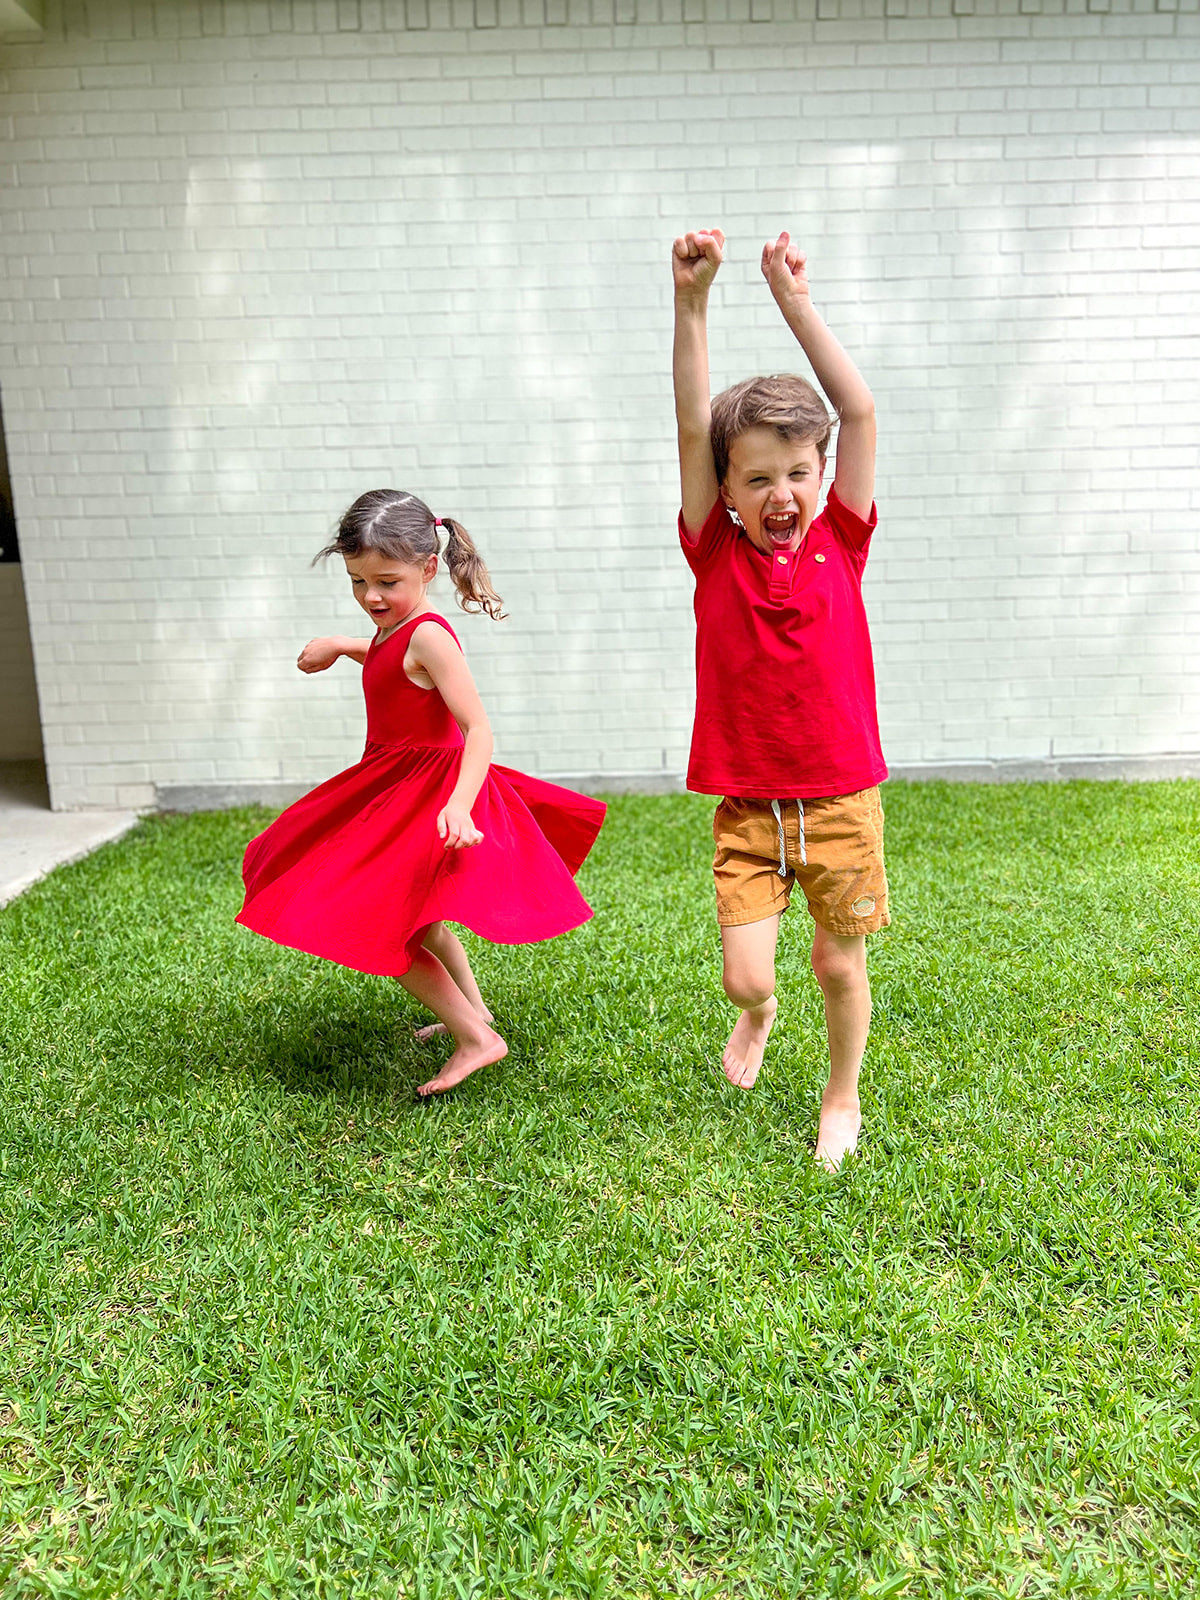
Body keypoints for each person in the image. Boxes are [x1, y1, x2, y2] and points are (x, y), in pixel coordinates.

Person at [237, 489, 605, 1097]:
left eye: (386, 580)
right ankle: (475, 1013)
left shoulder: (430, 635)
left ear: (429, 568)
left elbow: (479, 730)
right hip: (389, 782)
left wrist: (459, 804)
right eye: (357, 581)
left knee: (388, 925)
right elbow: (388, 661)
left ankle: (477, 1040)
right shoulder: (393, 629)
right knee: (427, 919)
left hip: (428, 793)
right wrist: (340, 645)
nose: (371, 596)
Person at [671, 227, 889, 1171]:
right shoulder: (712, 550)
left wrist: (794, 302)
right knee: (744, 975)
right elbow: (690, 425)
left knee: (840, 961)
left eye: (799, 472)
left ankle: (840, 1097)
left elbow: (861, 411)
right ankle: (760, 1014)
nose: (784, 492)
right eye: (758, 477)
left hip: (840, 797)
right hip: (751, 805)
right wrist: (693, 303)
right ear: (723, 489)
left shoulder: (843, 537)